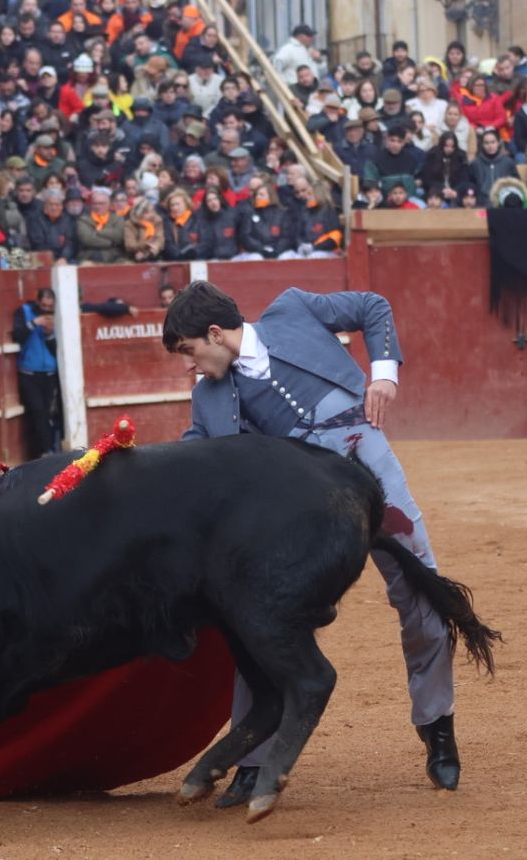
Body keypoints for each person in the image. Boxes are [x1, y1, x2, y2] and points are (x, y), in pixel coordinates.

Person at [162, 281, 465, 805]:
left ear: (215, 333)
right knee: (257, 620)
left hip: (369, 468)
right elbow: (194, 459)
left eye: (189, 351)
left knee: (420, 592)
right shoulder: (208, 399)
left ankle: (437, 725)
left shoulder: (293, 310)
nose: (189, 365)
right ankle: (252, 764)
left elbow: (374, 304)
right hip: (301, 520)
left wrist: (385, 375)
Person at [11, 287, 60, 460]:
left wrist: (49, 335)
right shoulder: (24, 312)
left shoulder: (55, 318)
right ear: (38, 302)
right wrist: (34, 323)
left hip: (49, 374)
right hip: (29, 373)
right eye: (44, 305)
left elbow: (56, 350)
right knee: (38, 412)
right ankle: (46, 452)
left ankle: (46, 451)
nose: (47, 309)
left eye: (50, 306)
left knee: (47, 413)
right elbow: (17, 335)